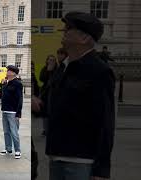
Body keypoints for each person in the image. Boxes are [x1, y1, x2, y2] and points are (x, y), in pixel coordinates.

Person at [44, 12, 115, 180]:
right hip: (56, 155)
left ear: (83, 38)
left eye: (68, 28)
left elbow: (106, 122)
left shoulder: (99, 71)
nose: (63, 31)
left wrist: (101, 171)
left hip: (80, 161)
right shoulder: (63, 67)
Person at [0, 65, 23, 159]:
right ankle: (8, 148)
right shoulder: (6, 82)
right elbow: (1, 95)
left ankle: (17, 150)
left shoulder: (17, 84)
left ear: (13, 73)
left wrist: (18, 113)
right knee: (6, 131)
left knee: (14, 132)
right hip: (5, 110)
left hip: (13, 112)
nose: (7, 72)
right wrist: (2, 85)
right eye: (7, 70)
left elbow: (20, 99)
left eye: (9, 70)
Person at [39, 55, 57, 136]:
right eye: (50, 60)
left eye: (53, 60)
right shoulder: (44, 68)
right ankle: (45, 129)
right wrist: (48, 71)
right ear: (47, 61)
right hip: (46, 92)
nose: (51, 61)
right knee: (45, 112)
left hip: (54, 92)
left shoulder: (57, 69)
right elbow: (41, 78)